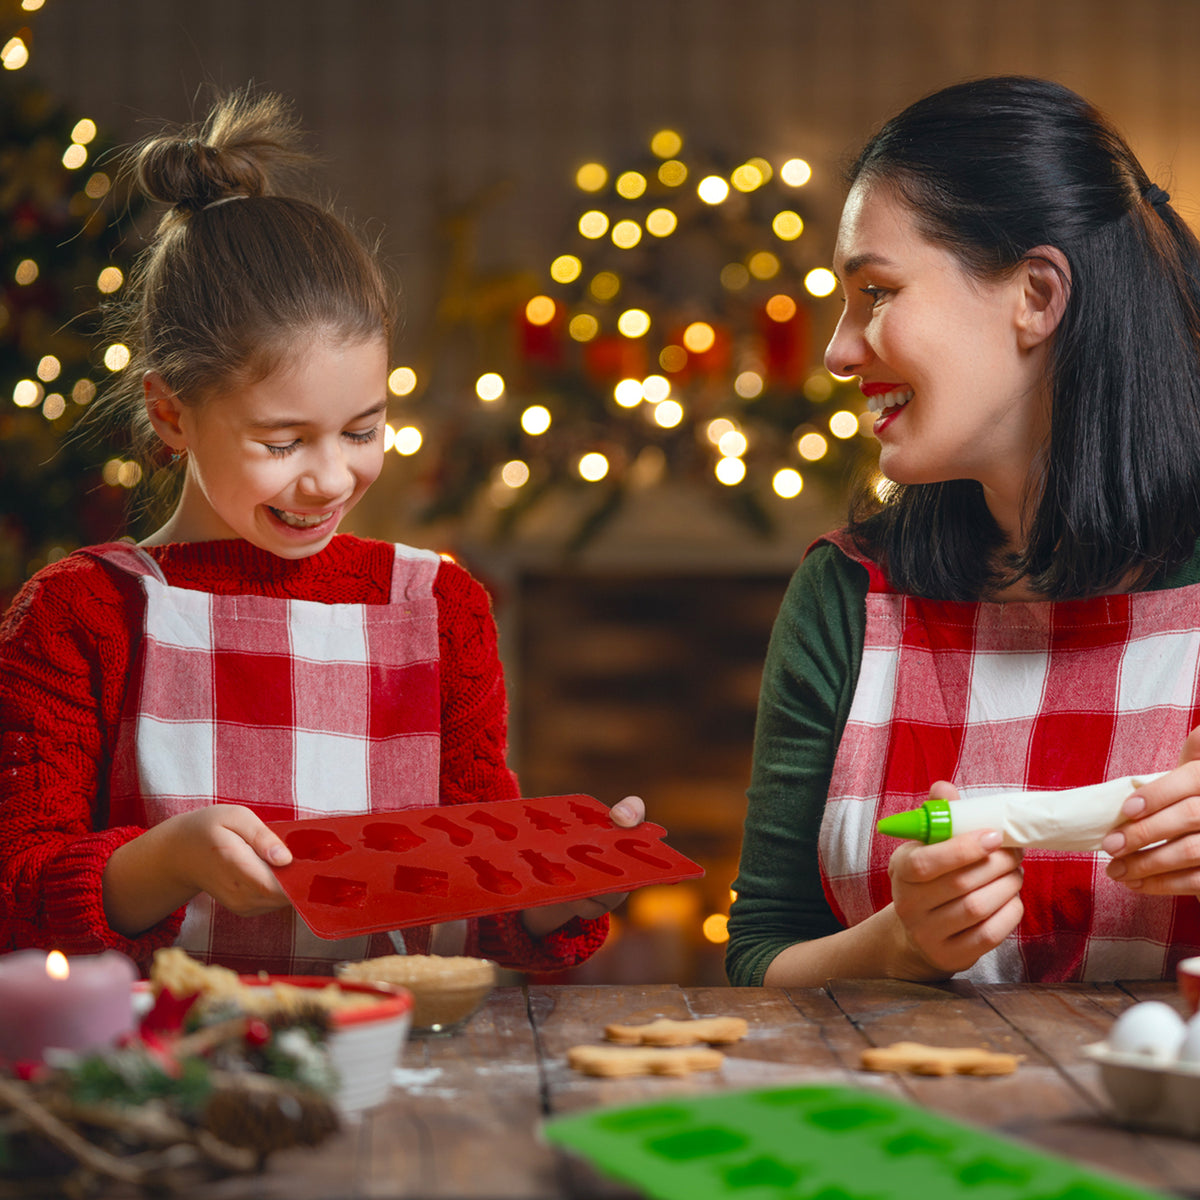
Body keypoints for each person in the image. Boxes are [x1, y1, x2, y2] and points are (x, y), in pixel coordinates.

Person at [0, 89, 644, 977]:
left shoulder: (437, 610)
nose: (332, 478)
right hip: (169, 1076)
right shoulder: (83, 613)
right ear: (170, 413)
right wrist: (170, 858)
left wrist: (560, 893)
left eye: (362, 429)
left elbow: (478, 915)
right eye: (282, 440)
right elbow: (17, 896)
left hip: (402, 1064)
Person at [726, 75, 1200, 988]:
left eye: (876, 293)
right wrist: (893, 945)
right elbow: (760, 952)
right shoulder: (845, 597)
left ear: (1034, 293)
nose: (837, 349)